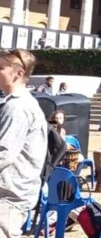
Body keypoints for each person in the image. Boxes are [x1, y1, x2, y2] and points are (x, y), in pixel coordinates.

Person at [0, 49, 48, 236]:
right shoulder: (15, 103)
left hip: (9, 193)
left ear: (18, 74)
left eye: (1, 68)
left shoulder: (18, 106)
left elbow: (4, 153)